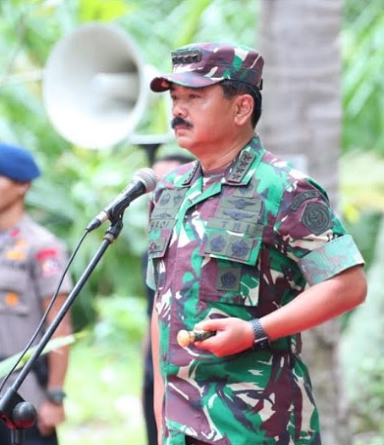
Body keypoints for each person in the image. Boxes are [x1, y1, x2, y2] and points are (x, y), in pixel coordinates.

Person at [145, 42, 368, 445]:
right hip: (180, 427)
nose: (178, 109)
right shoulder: (169, 190)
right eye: (175, 98)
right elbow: (161, 307)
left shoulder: (284, 188)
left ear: (241, 108)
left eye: (195, 97)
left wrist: (254, 331)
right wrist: (162, 422)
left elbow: (348, 284)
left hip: (258, 424)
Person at [0, 142, 73, 445]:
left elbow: (60, 325)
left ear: (22, 185)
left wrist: (55, 395)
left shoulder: (42, 247)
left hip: (25, 398)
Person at [140, 153, 194, 445]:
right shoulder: (154, 247)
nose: (159, 195)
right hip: (159, 368)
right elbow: (153, 307)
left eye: (168, 184)